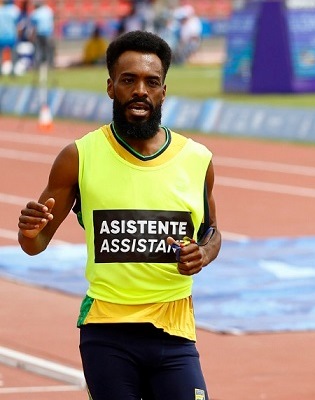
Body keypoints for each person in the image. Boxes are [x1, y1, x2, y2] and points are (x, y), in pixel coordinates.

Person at [17, 30, 221, 400]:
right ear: (111, 87)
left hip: (175, 331)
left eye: (151, 82)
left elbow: (211, 231)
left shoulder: (198, 160)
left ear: (163, 91)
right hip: (107, 332)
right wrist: (31, 229)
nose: (140, 89)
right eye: (129, 80)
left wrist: (203, 253)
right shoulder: (78, 157)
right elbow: (34, 244)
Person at [28, 0, 54, 69]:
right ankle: (49, 65)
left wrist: (31, 36)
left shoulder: (35, 12)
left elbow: (33, 27)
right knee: (47, 51)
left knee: (38, 51)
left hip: (40, 34)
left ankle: (38, 66)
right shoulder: (49, 10)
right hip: (48, 34)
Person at [0, 0, 20, 76]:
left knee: (0, 54)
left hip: (1, 35)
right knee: (13, 54)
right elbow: (18, 22)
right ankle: (13, 70)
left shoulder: (1, 10)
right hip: (11, 35)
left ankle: (0, 70)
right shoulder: (14, 10)